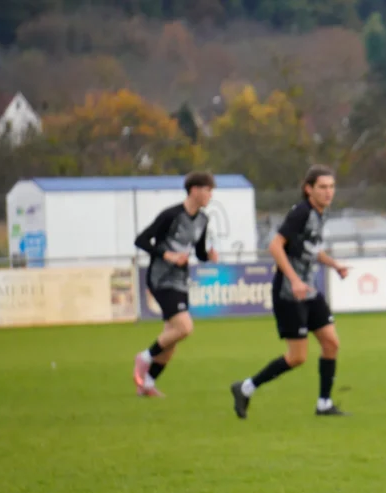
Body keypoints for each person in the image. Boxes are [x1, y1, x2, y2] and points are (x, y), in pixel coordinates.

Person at [231, 165, 350, 418]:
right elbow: (275, 246)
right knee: (297, 357)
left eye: (331, 187)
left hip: (309, 290)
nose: (328, 192)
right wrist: (294, 280)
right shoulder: (301, 212)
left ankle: (324, 404)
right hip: (290, 292)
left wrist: (334, 264)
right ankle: (246, 388)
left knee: (331, 343)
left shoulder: (320, 214)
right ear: (308, 189)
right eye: (322, 187)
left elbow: (311, 249)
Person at [132, 171, 218, 397]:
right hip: (161, 278)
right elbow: (141, 240)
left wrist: (208, 256)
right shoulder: (171, 215)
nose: (211, 195)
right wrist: (167, 255)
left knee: (172, 336)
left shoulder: (203, 220)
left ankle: (147, 384)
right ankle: (144, 357)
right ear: (194, 190)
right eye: (208, 190)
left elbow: (199, 252)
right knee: (184, 328)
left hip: (180, 280)